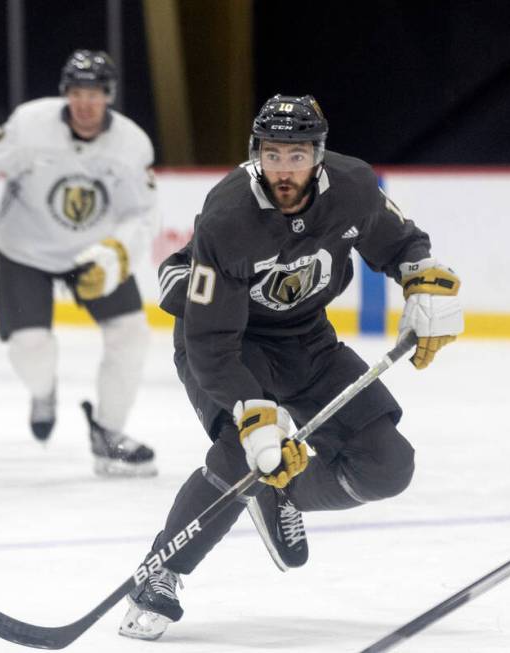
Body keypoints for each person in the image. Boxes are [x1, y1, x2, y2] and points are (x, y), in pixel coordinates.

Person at [119, 94, 465, 640]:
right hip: (228, 342)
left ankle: (279, 492)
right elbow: (210, 341)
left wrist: (422, 276)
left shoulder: (351, 187)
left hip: (308, 341)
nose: (284, 169)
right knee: (243, 454)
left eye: (297, 156)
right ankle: (161, 574)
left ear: (319, 156)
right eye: (273, 154)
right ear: (257, 153)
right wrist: (253, 413)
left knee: (387, 466)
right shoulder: (229, 214)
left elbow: (397, 241)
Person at [0, 49, 158, 477]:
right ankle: (43, 391)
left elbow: (141, 212)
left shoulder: (131, 143)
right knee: (31, 345)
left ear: (109, 97)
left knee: (131, 334)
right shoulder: (30, 124)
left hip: (93, 252)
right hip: (24, 250)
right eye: (77, 93)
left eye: (96, 94)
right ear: (66, 94)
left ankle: (109, 434)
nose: (86, 104)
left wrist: (117, 255)